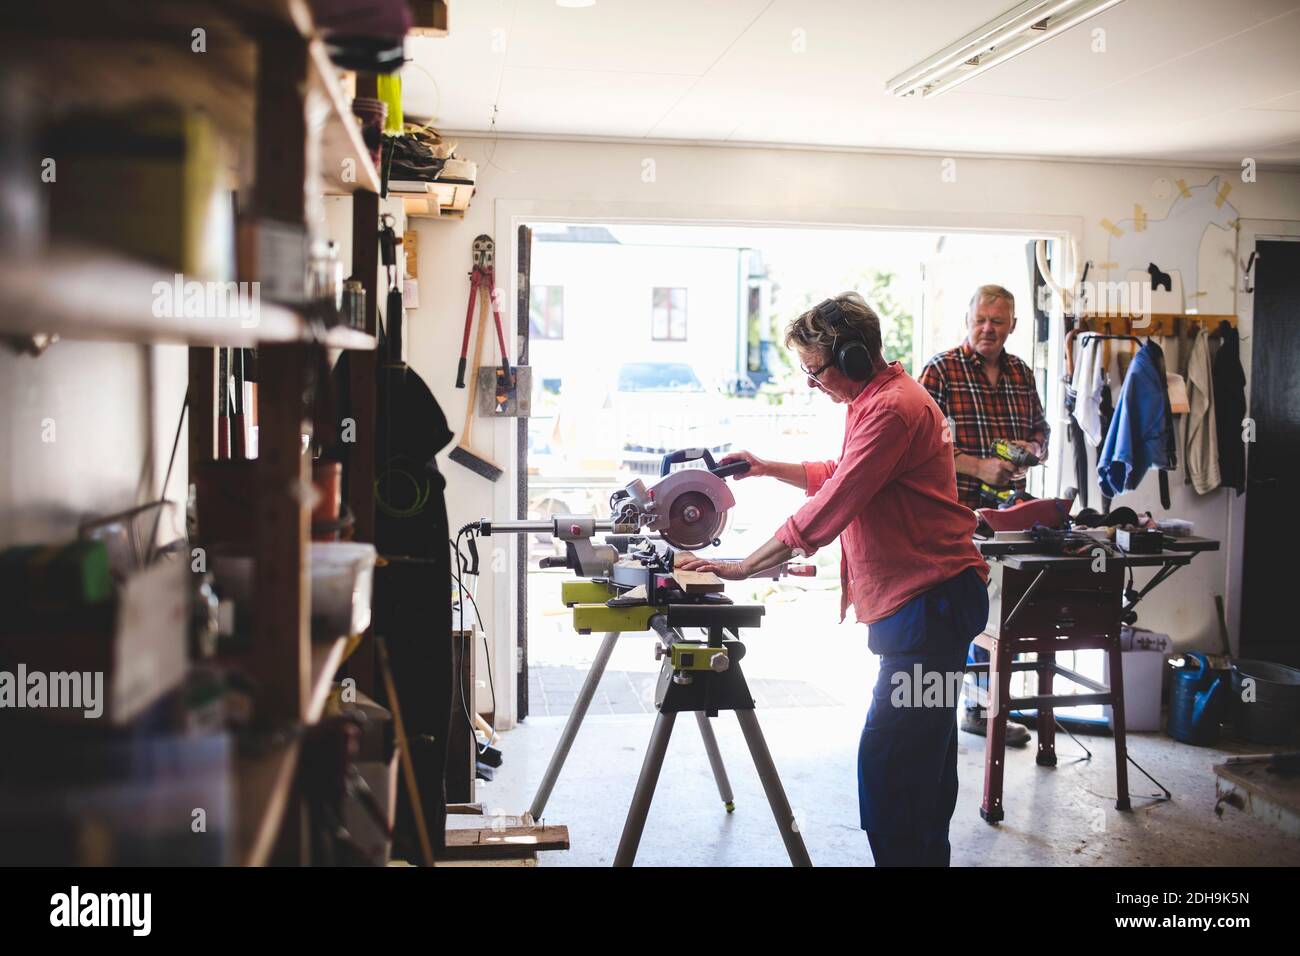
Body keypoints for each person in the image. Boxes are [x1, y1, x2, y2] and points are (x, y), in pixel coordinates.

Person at [676, 291, 988, 867]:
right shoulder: (876, 398)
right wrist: (768, 467)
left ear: (850, 357)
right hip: (928, 608)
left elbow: (835, 502)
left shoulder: (893, 408)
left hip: (929, 609)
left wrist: (743, 565)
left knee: (894, 768)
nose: (812, 383)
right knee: (925, 760)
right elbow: (842, 472)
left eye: (815, 370)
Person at [917, 284, 1049, 745]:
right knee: (959, 612)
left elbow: (1040, 429)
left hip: (1011, 515)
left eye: (998, 320)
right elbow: (917, 449)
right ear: (967, 320)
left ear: (1013, 324)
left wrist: (1031, 450)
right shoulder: (941, 371)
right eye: (981, 319)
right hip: (957, 515)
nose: (989, 328)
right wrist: (978, 465)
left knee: (999, 615)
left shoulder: (1021, 372)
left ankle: (980, 708)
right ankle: (936, 713)